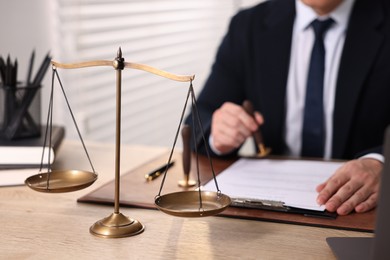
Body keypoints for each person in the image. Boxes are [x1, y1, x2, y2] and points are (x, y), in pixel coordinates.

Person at [185, 0, 390, 215]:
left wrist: (380, 161)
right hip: (271, 211)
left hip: (361, 213)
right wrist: (218, 133)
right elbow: (200, 118)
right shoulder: (248, 25)